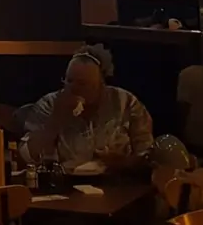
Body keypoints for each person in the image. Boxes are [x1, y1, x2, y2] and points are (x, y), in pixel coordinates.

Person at [19, 44, 153, 169]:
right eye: (69, 81)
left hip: (117, 180)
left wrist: (123, 163)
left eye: (82, 84)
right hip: (64, 182)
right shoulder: (49, 104)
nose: (73, 88)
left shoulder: (125, 102)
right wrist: (54, 122)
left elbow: (148, 155)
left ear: (101, 85)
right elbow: (26, 156)